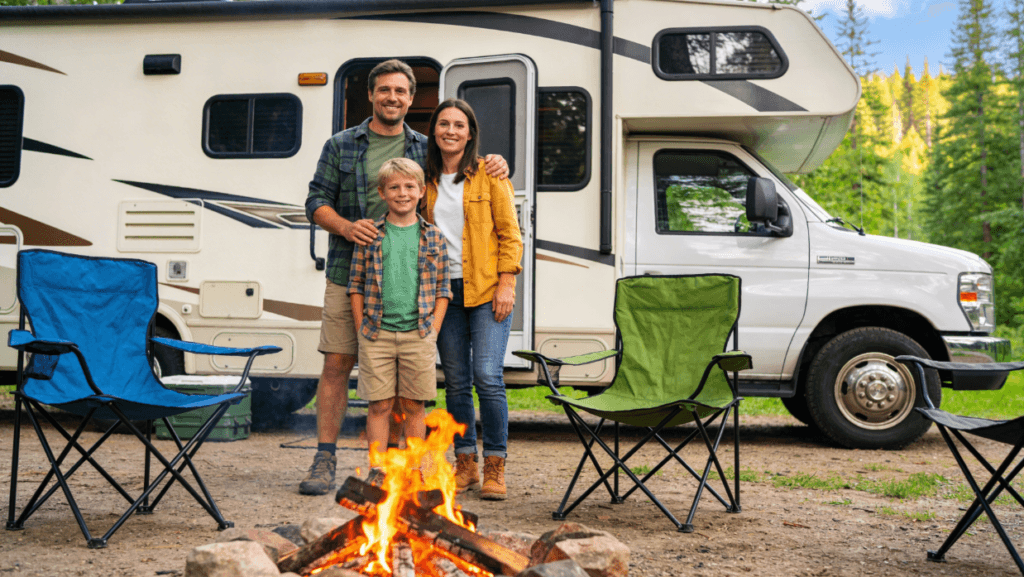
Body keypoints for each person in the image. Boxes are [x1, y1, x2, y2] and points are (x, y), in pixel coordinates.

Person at [302, 59, 507, 496]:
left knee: (405, 384)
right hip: (349, 269)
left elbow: (458, 172)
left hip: (412, 280)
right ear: (372, 95)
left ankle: (401, 467)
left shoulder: (423, 148)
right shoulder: (341, 145)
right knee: (338, 363)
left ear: (411, 99)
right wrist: (345, 227)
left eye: (401, 92)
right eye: (384, 91)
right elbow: (315, 200)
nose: (392, 98)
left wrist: (495, 162)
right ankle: (324, 457)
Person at [422, 99, 523, 500]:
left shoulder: (490, 175)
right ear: (434, 131)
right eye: (443, 123)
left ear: (470, 133)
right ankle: (465, 464)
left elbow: (510, 235)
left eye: (459, 125)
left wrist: (507, 284)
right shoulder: (423, 178)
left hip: (485, 289)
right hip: (443, 293)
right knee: (457, 382)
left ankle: (495, 466)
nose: (450, 130)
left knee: (488, 377)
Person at [348, 158, 450, 478]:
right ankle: (377, 471)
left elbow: (443, 290)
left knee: (413, 406)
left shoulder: (433, 237)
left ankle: (415, 470)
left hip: (417, 334)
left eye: (409, 187)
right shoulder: (371, 235)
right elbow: (355, 286)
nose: (402, 193)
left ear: (421, 192)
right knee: (379, 406)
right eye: (394, 187)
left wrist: (432, 330)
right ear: (382, 193)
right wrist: (361, 329)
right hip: (376, 333)